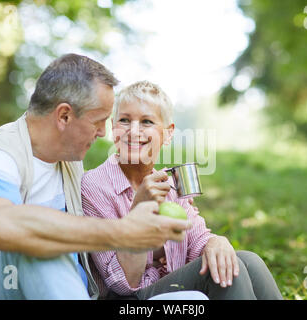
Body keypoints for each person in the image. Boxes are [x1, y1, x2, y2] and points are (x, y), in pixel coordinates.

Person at [0, 54, 205, 300]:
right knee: (40, 247)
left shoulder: (68, 163)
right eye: (99, 120)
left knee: (193, 300)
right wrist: (124, 231)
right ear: (64, 115)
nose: (104, 132)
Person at [81, 81, 284, 300]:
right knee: (223, 276)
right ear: (114, 128)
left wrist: (216, 241)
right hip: (128, 299)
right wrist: (139, 209)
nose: (133, 130)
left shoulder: (169, 184)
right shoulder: (95, 186)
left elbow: (198, 242)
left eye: (147, 121)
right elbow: (122, 283)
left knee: (248, 261)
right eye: (124, 120)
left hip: (168, 290)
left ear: (168, 134)